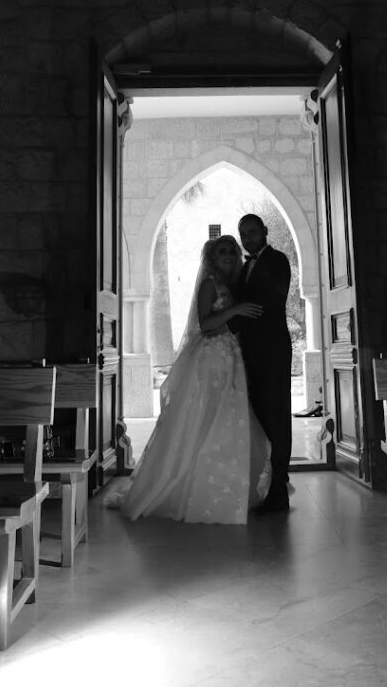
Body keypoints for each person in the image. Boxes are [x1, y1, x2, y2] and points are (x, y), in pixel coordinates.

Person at [104, 234, 271, 524]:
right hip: (211, 359)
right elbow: (205, 325)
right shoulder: (209, 285)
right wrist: (234, 311)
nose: (229, 257)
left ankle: (226, 488)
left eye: (232, 252)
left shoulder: (231, 285)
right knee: (205, 419)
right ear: (211, 258)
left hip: (229, 356)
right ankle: (186, 489)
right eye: (222, 252)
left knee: (228, 418)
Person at [235, 214, 292, 513]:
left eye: (253, 232)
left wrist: (233, 315)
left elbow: (269, 301)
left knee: (277, 418)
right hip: (250, 353)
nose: (248, 238)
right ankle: (264, 485)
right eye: (243, 234)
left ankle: (279, 489)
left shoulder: (277, 261)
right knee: (259, 419)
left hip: (273, 351)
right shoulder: (245, 267)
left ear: (265, 232)